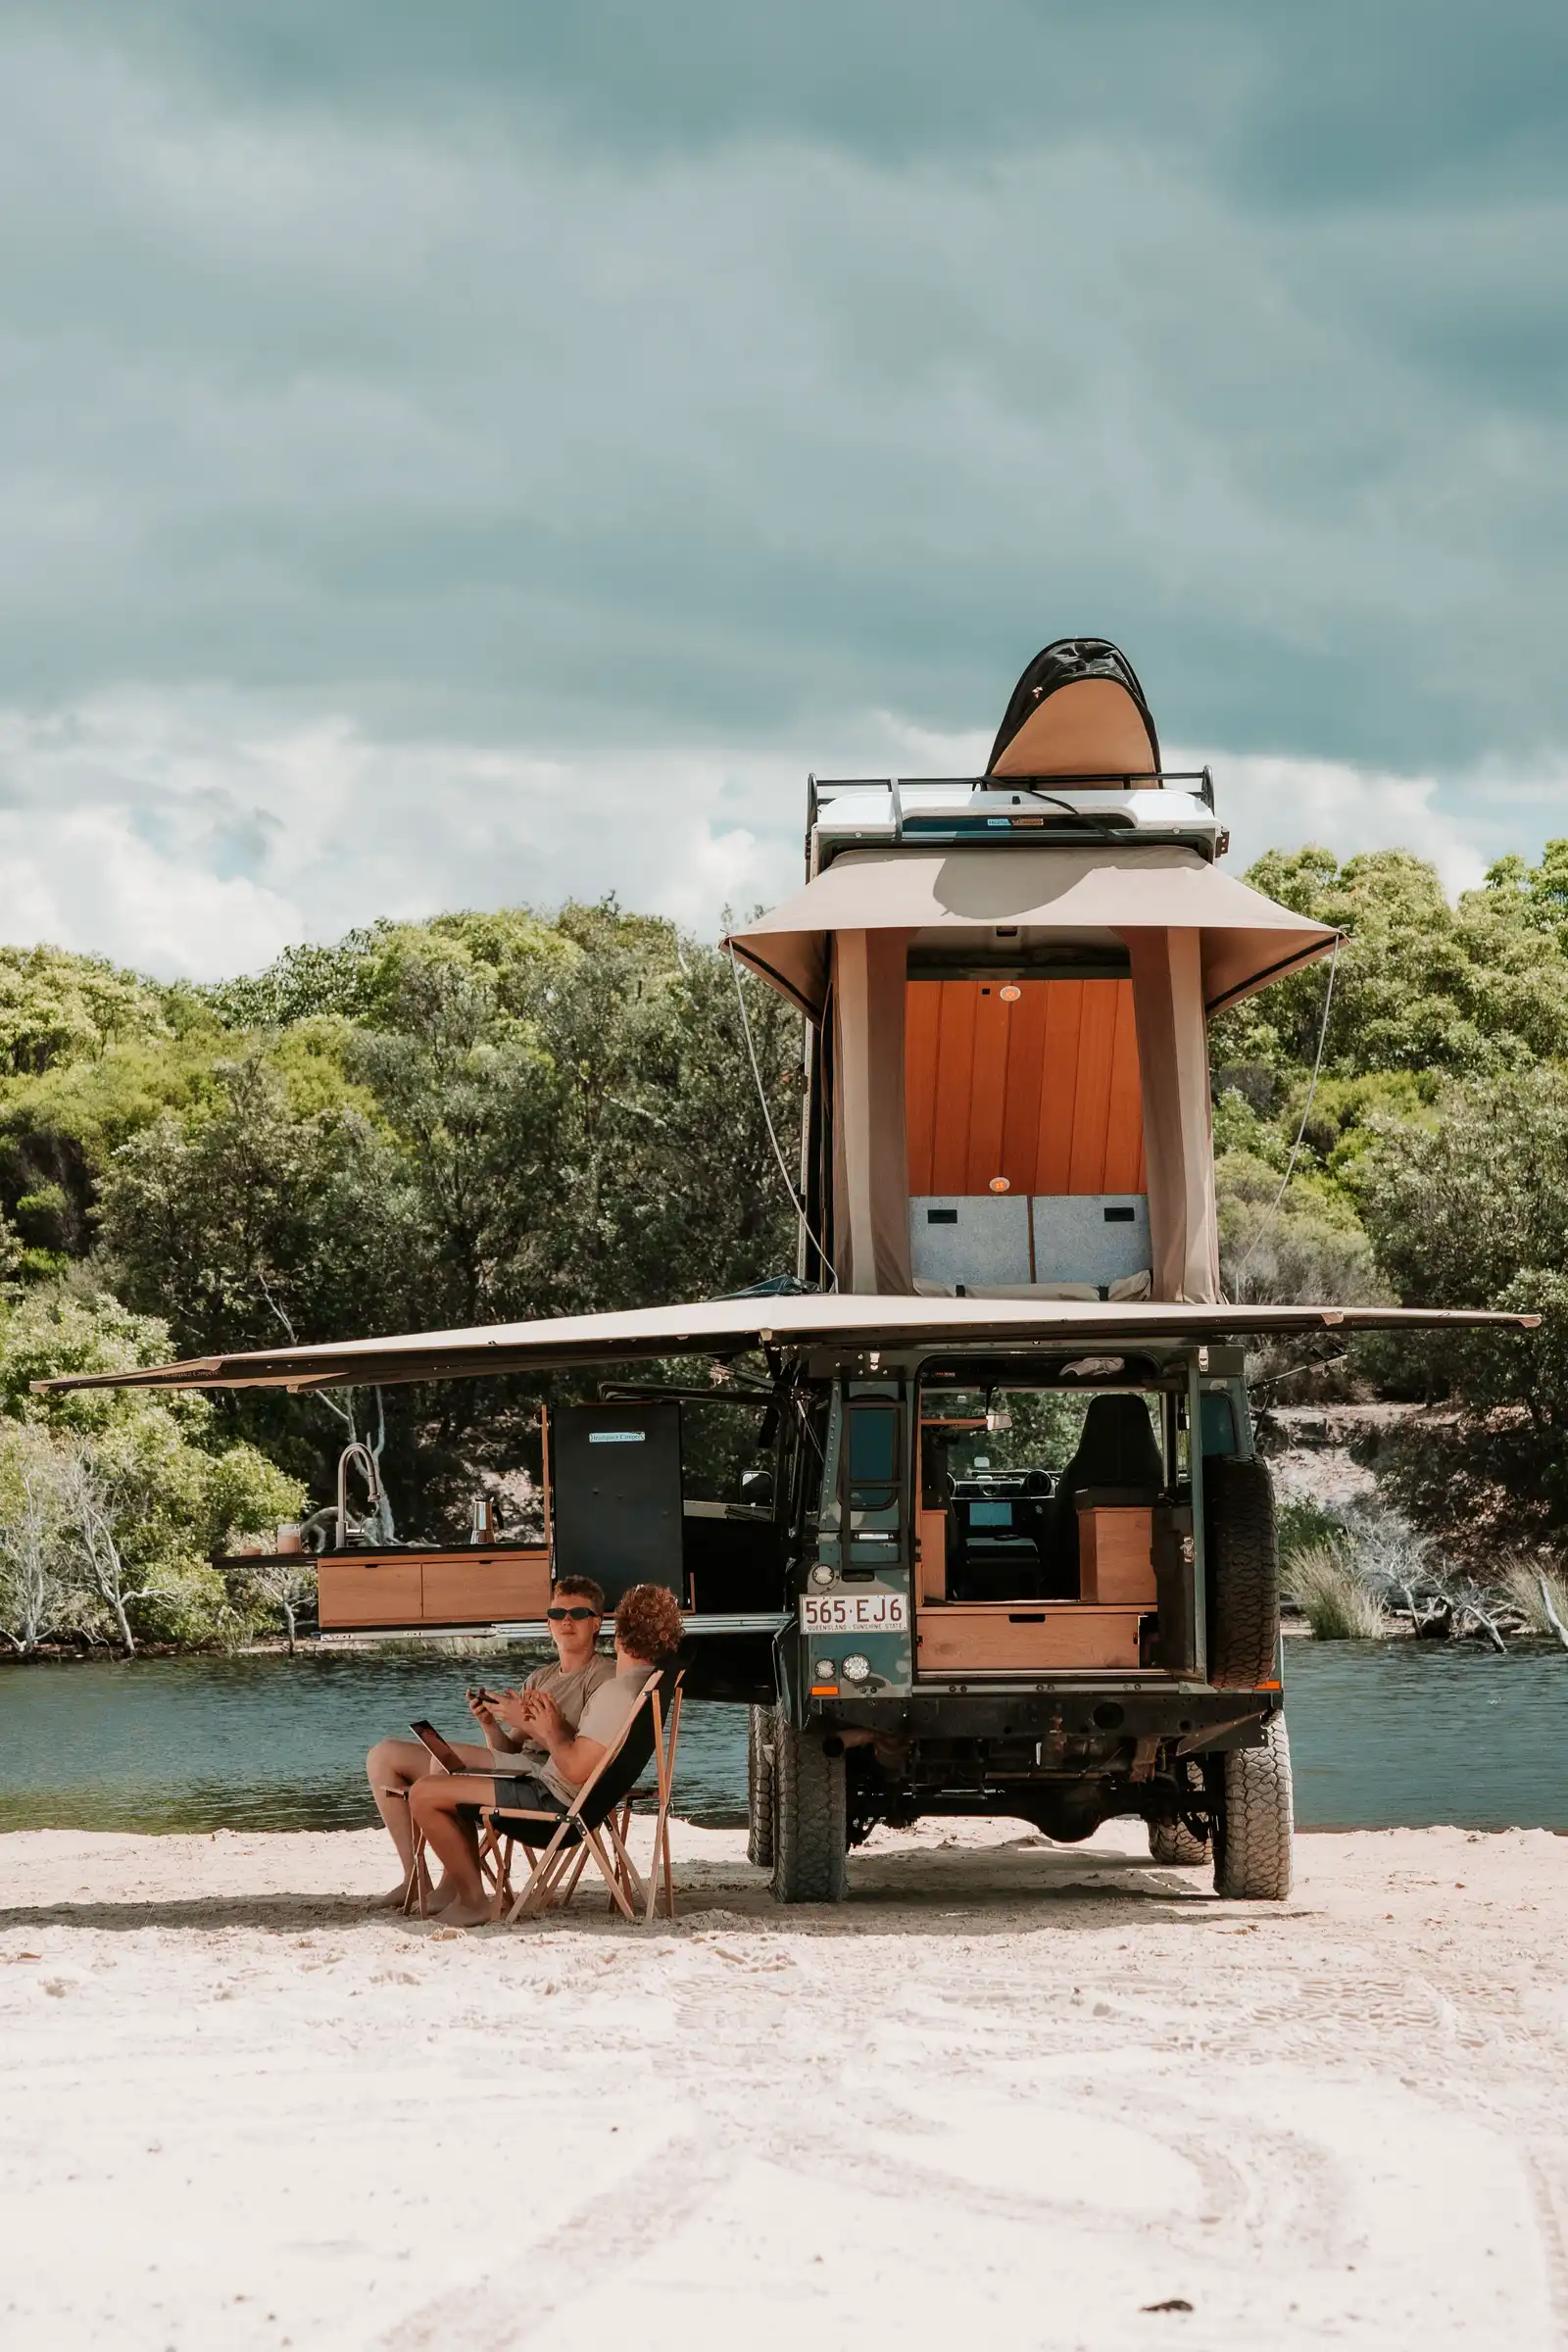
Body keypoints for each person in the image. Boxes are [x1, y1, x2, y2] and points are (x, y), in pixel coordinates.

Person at [408, 1582, 685, 1927]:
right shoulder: (645, 1686)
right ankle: (461, 1889)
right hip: (559, 1795)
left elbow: (574, 1770)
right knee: (446, 1777)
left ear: (616, 1634)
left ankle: (473, 1900)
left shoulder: (616, 1693)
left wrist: (550, 1728)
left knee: (423, 1793)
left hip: (553, 1803)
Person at [364, 1575, 614, 1911]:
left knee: (446, 1765)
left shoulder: (602, 1676)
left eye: (578, 1614)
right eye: (557, 1615)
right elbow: (509, 1751)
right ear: (548, 1624)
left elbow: (581, 1752)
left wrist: (526, 1720)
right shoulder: (540, 1677)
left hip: (546, 1779)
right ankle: (414, 1877)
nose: (566, 1622)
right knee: (384, 1756)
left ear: (596, 1623)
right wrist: (490, 1723)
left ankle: (455, 1885)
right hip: (518, 1767)